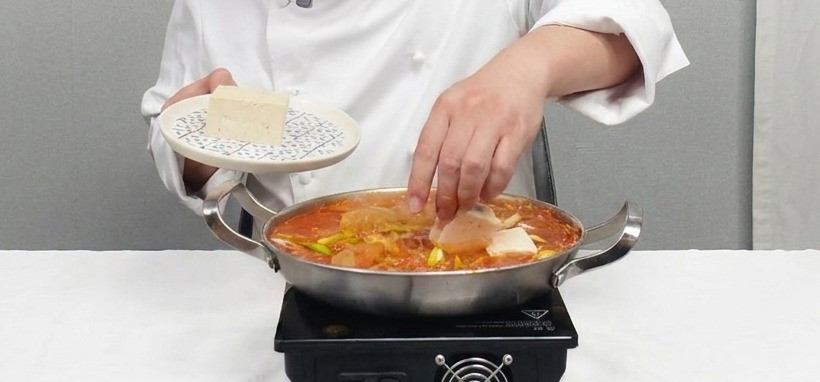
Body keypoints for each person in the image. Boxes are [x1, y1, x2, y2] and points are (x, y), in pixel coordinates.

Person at [142, 0, 688, 223]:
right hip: (287, 279)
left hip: (481, 265)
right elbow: (173, 139)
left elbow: (636, 29)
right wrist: (199, 147)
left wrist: (530, 67)